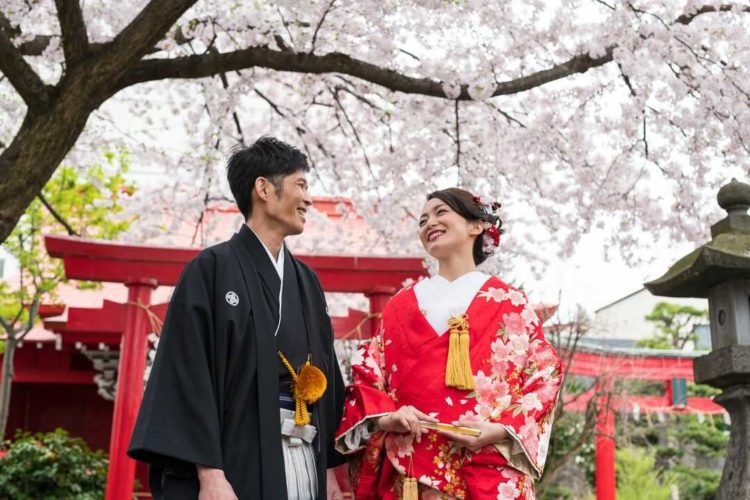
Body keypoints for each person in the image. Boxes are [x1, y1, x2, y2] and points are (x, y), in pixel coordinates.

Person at [128, 137, 346, 500]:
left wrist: (330, 472)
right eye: (301, 185)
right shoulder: (211, 269)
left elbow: (328, 377)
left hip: (305, 455)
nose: (309, 199)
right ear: (263, 188)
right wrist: (210, 474)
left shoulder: (306, 281)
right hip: (234, 459)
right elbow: (188, 375)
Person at [335, 188, 562, 499]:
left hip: (487, 461)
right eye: (423, 220)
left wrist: (498, 430)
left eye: (441, 212)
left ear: (476, 225)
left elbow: (544, 376)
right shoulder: (400, 305)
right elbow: (369, 376)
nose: (429, 223)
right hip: (412, 465)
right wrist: (389, 417)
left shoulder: (510, 303)